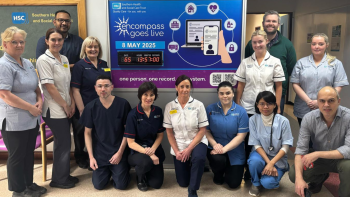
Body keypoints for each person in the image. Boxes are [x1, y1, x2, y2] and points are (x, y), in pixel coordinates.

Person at [0, 26, 46, 197]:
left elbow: (36, 87)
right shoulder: (3, 65)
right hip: (14, 120)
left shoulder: (27, 63)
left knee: (28, 154)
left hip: (31, 117)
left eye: (21, 42)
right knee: (17, 156)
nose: (19, 45)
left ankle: (28, 184)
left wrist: (39, 103)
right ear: (5, 44)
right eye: (14, 42)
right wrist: (30, 108)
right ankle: (18, 191)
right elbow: (5, 94)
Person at [234, 29, 285, 180]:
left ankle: (260, 167)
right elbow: (240, 85)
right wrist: (237, 103)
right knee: (247, 140)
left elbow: (279, 86)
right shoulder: (246, 62)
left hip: (267, 108)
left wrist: (278, 105)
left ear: (266, 42)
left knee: (263, 139)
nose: (257, 45)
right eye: (254, 42)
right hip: (247, 106)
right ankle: (247, 170)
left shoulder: (275, 62)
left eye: (260, 41)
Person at [289, 86, 350, 197]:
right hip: (319, 160)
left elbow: (348, 149)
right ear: (317, 102)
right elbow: (300, 150)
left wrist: (318, 154)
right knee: (294, 174)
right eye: (322, 101)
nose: (326, 104)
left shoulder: (348, 117)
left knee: (349, 167)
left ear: (338, 101)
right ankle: (320, 177)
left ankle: (344, 194)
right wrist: (299, 179)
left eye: (331, 100)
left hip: (340, 158)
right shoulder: (308, 118)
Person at [37, 28, 78, 189]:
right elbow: (50, 87)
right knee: (63, 143)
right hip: (54, 109)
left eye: (59, 40)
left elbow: (67, 83)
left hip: (66, 106)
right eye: (53, 39)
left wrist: (72, 103)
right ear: (46, 41)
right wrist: (65, 105)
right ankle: (59, 180)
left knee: (64, 142)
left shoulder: (64, 58)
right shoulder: (43, 60)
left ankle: (63, 174)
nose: (56, 42)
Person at [80, 75, 131, 190]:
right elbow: (87, 133)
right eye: (100, 86)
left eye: (106, 86)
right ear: (95, 88)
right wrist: (91, 157)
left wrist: (120, 153)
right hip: (100, 154)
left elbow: (128, 132)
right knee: (99, 185)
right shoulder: (90, 107)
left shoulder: (123, 104)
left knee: (121, 185)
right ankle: (108, 171)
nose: (103, 89)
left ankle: (119, 170)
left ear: (112, 87)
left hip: (118, 152)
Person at [163, 75, 208, 197]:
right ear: (176, 87)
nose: (185, 89)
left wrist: (189, 149)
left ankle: (193, 190)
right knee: (183, 182)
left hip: (197, 141)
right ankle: (195, 168)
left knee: (198, 158)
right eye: (181, 86)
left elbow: (202, 130)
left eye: (187, 86)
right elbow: (169, 132)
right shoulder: (170, 106)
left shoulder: (198, 105)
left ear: (191, 88)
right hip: (179, 144)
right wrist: (177, 151)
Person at [245, 10, 297, 115]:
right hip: (254, 93)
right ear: (263, 23)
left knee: (273, 125)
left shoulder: (287, 45)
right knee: (252, 124)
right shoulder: (252, 44)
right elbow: (246, 63)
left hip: (276, 94)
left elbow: (291, 68)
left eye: (274, 21)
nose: (270, 23)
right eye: (268, 21)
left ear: (278, 24)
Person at [290, 33, 349, 126]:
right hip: (304, 107)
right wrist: (309, 101)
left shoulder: (336, 63)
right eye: (314, 44)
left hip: (327, 107)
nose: (316, 47)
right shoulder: (301, 63)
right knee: (305, 136)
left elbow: (338, 85)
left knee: (325, 137)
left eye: (321, 44)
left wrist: (321, 102)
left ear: (327, 45)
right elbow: (295, 84)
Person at [70, 36, 111, 169]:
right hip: (84, 106)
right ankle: (80, 157)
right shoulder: (79, 66)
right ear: (85, 49)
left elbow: (108, 85)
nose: (93, 49)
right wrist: (82, 110)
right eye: (90, 47)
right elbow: (75, 89)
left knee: (97, 133)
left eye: (95, 47)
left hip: (101, 106)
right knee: (82, 134)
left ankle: (94, 156)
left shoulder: (104, 64)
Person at [248, 91, 293, 196]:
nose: (265, 107)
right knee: (254, 162)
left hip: (278, 157)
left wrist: (272, 163)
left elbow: (286, 146)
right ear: (257, 104)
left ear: (274, 105)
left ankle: (276, 171)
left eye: (269, 103)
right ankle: (255, 183)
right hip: (260, 154)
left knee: (269, 183)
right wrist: (269, 162)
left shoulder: (283, 121)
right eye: (262, 103)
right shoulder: (253, 120)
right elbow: (256, 144)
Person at [205, 81, 249, 188]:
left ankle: (229, 169)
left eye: (228, 93)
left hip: (235, 149)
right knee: (218, 160)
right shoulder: (210, 109)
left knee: (234, 184)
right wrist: (215, 145)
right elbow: (206, 131)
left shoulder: (241, 112)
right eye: (222, 93)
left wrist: (224, 149)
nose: (225, 96)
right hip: (216, 147)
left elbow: (241, 136)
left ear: (233, 94)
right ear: (218, 94)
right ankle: (218, 174)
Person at [125, 82, 165, 191]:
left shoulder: (158, 111)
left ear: (155, 96)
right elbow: (131, 143)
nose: (148, 98)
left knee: (156, 184)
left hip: (154, 148)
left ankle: (148, 171)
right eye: (145, 94)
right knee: (145, 162)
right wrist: (150, 154)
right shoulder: (133, 114)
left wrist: (152, 150)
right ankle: (140, 177)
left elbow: (160, 135)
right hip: (137, 151)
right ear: (140, 95)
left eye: (152, 95)